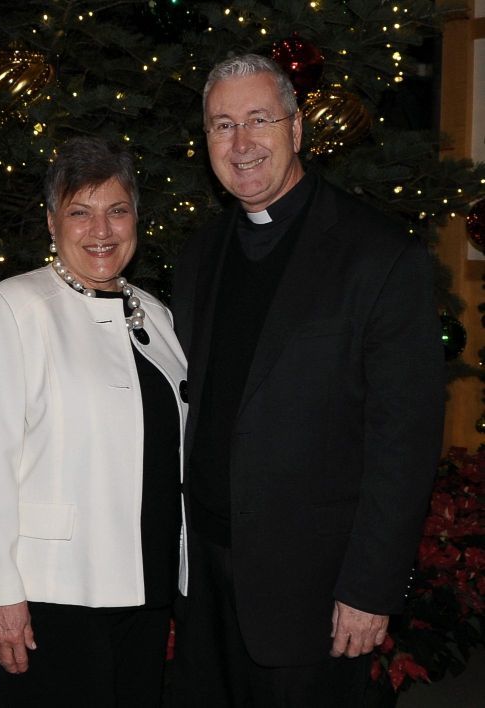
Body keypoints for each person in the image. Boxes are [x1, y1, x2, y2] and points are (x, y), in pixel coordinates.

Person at [170, 54, 445, 707]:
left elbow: (404, 444)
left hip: (312, 588)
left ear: (295, 129)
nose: (240, 143)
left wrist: (369, 588)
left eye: (258, 120)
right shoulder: (199, 254)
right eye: (222, 125)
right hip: (203, 574)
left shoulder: (379, 255)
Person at [0, 136, 188, 707]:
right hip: (52, 591)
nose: (101, 230)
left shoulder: (157, 316)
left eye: (117, 210)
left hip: (148, 587)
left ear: (136, 218)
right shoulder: (13, 307)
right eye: (80, 213)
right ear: (51, 222)